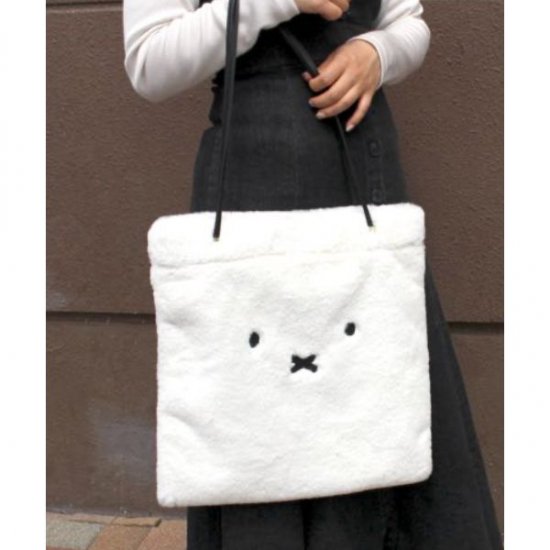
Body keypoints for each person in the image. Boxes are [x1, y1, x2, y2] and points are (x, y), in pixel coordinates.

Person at [123, 1, 503, 548]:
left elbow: (407, 23)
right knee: (259, 411)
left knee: (379, 385)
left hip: (362, 171)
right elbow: (148, 63)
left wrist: (376, 53)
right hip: (253, 184)